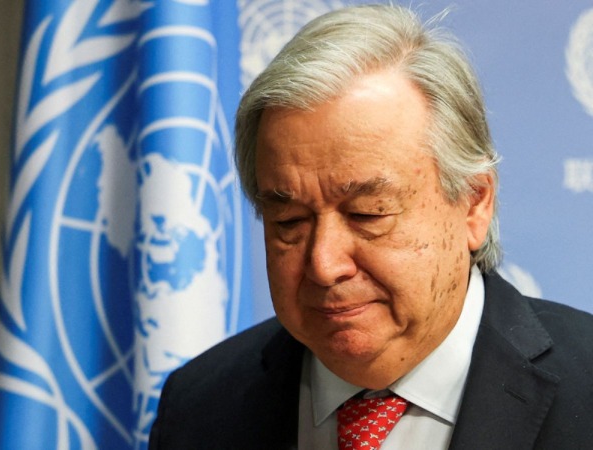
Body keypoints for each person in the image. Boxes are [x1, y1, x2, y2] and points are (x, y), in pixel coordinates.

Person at [149, 4, 593, 449]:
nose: (324, 265)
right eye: (290, 221)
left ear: (474, 203)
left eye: (367, 214)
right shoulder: (200, 406)